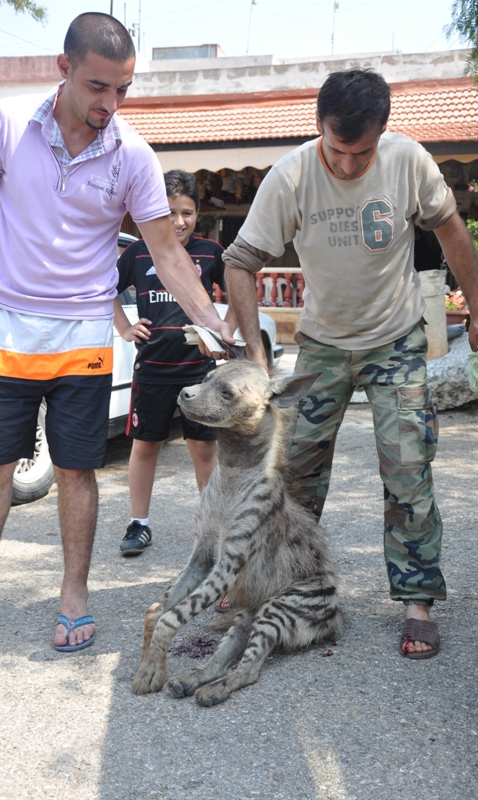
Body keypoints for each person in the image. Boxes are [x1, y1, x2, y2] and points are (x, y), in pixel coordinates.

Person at [0, 13, 232, 654]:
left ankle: (73, 596)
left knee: (77, 469)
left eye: (123, 89)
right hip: (6, 325)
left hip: (81, 329)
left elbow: (164, 249)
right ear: (64, 68)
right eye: (99, 86)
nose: (111, 103)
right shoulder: (6, 122)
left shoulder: (132, 152)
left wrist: (213, 324)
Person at [222, 68, 478, 659]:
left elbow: (451, 230)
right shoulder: (290, 177)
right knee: (292, 476)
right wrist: (257, 359)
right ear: (319, 128)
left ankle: (416, 600)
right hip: (322, 347)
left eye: (359, 154)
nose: (345, 165)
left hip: (394, 340)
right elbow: (240, 262)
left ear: (382, 133)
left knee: (408, 467)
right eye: (335, 150)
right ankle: (276, 589)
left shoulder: (408, 162)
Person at [114, 169, 234, 556]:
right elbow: (102, 292)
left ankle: (212, 526)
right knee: (145, 446)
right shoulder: (136, 253)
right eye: (168, 213)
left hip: (199, 374)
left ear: (198, 213)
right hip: (152, 371)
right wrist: (126, 328)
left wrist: (220, 336)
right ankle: (139, 524)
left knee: (203, 450)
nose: (178, 222)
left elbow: (238, 295)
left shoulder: (211, 253)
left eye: (187, 212)